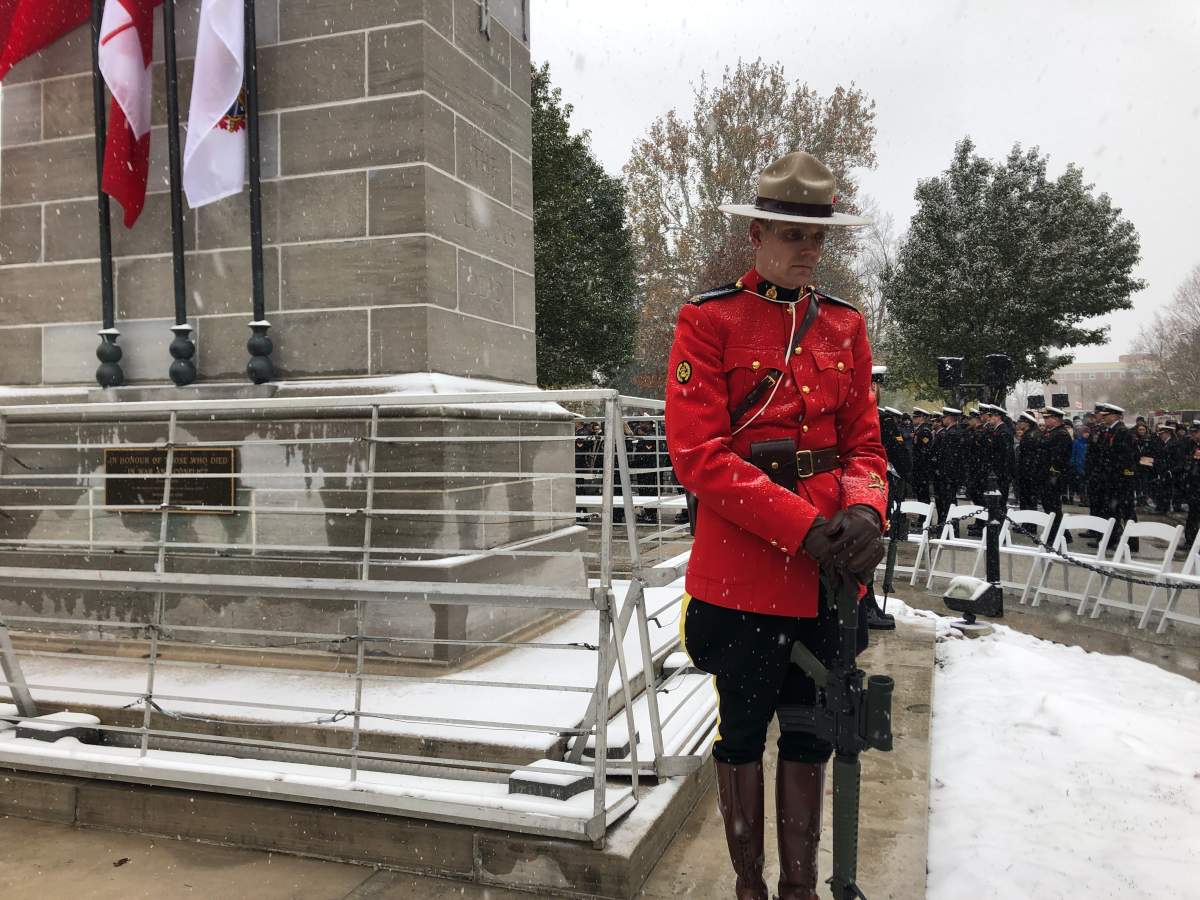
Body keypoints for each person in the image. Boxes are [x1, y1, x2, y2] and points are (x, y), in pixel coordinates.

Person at [665, 151, 887, 900]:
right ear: (757, 234)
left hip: (830, 578)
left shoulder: (845, 327)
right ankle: (751, 888)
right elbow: (698, 457)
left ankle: (799, 888)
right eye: (792, 234)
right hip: (744, 574)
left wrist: (864, 508)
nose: (806, 250)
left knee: (812, 733)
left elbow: (865, 444)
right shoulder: (709, 319)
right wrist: (800, 524)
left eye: (817, 237)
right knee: (741, 736)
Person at [1090, 403, 1139, 552]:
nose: (1103, 418)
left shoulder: (1123, 432)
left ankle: (1132, 543)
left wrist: (1124, 478)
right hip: (1109, 479)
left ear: (1114, 416)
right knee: (1111, 511)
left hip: (1120, 480)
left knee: (1126, 511)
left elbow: (1128, 459)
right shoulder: (1110, 431)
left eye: (1106, 416)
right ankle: (1110, 540)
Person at [1039, 407, 1074, 544]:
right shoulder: (1052, 433)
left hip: (1054, 476)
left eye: (1047, 418)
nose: (1045, 420)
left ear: (1055, 419)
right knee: (1050, 506)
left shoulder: (1061, 434)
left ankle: (1056, 536)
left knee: (1053, 507)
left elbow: (1059, 458)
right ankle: (1062, 534)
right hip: (1048, 475)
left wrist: (1053, 474)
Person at [932, 407, 966, 530]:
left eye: (944, 417)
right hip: (948, 474)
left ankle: (950, 528)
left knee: (948, 503)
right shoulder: (951, 432)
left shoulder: (952, 434)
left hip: (948, 475)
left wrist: (944, 473)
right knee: (947, 502)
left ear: (951, 418)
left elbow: (950, 458)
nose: (942, 420)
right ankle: (947, 526)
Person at [1015, 411, 1042, 509]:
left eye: (1021, 422)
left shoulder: (1030, 436)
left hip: (1029, 473)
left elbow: (1029, 456)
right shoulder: (1032, 434)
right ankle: (1028, 523)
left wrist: (1026, 471)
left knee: (1028, 500)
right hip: (1029, 472)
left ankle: (1029, 523)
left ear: (1027, 423)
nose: (1018, 424)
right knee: (1027, 499)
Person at [910, 407, 935, 504]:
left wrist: (920, 464)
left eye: (915, 417)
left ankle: (925, 515)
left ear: (921, 418)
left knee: (923, 492)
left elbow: (925, 449)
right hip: (919, 466)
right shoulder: (919, 429)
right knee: (919, 491)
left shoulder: (924, 431)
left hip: (922, 466)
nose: (913, 419)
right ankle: (922, 515)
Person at [1132, 422, 1158, 510]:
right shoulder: (1134, 440)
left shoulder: (1150, 440)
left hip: (1146, 466)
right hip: (1136, 465)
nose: (1141, 431)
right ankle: (1139, 499)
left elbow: (1153, 453)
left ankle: (1144, 499)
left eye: (1143, 429)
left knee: (1145, 483)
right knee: (1137, 484)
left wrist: (1147, 460)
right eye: (1140, 429)